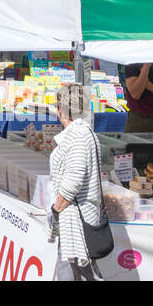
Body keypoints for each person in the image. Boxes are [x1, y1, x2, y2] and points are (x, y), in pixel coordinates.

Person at [48, 82, 107, 281]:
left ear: (60, 109)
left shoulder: (78, 136)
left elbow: (73, 182)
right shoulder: (82, 132)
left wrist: (55, 209)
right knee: (75, 270)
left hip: (76, 218)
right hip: (77, 216)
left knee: (83, 272)